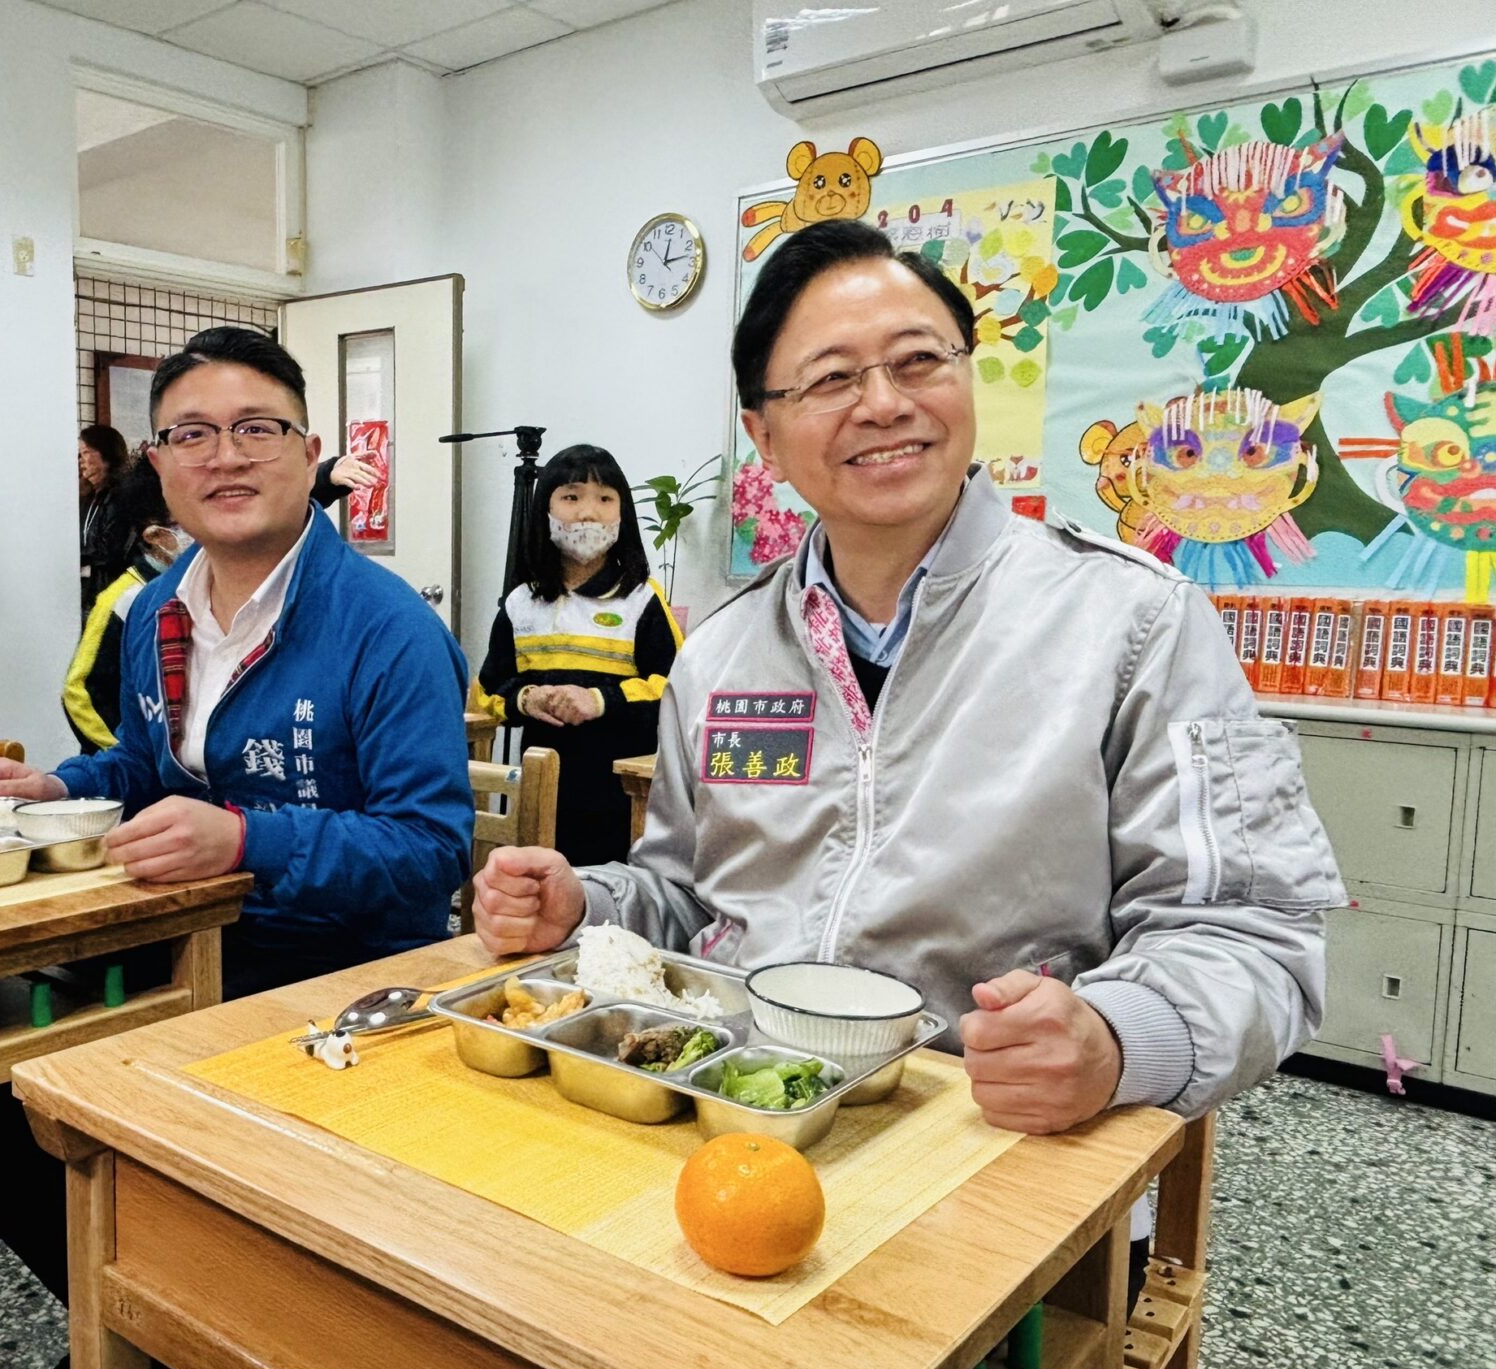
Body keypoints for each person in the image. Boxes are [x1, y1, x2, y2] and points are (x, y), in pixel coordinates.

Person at [474, 220, 1340, 1176]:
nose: (883, 404)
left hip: (996, 1145)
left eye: (918, 360)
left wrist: (1114, 1037)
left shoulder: (1133, 622)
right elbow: (687, 895)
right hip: (733, 1121)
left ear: (967, 377)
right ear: (762, 433)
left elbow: (1253, 932)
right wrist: (586, 906)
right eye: (832, 378)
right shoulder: (721, 654)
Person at [0, 326, 473, 1369]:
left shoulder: (388, 628)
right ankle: (158, 1317)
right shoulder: (158, 611)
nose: (224, 457)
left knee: (117, 1112)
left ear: (311, 449)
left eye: (256, 429)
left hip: (340, 982)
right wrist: (61, 783)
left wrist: (245, 841)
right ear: (159, 461)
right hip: (185, 951)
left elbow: (429, 852)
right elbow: (148, 765)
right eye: (192, 434)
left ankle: (193, 1326)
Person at [478, 443, 681, 863]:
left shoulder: (641, 601)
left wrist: (600, 700)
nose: (588, 513)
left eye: (605, 499)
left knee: (605, 913)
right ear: (545, 511)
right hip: (539, 794)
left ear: (621, 515)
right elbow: (488, 691)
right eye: (571, 497)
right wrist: (526, 698)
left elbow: (677, 692)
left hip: (620, 801)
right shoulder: (521, 604)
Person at [62, 450, 187, 752]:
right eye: (183, 522)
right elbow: (78, 693)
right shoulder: (122, 599)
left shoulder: (195, 587)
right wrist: (125, 752)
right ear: (155, 535)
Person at [77, 422, 129, 610]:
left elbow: (111, 551)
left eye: (86, 452)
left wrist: (74, 557)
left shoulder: (121, 495)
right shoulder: (88, 496)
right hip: (88, 593)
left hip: (112, 595)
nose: (81, 460)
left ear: (107, 455)